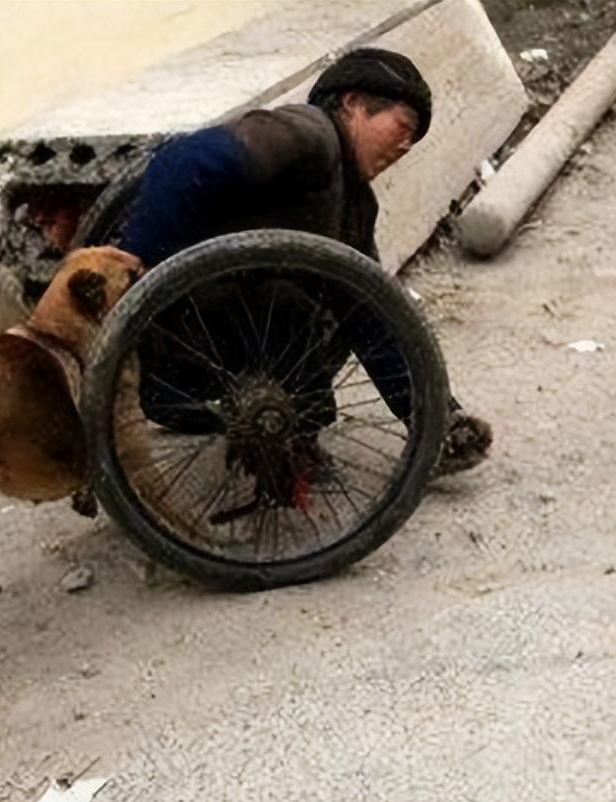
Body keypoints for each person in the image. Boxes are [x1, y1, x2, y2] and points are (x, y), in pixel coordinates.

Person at [109, 47, 494, 482]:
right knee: (295, 302)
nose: (406, 145)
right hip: (178, 334)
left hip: (204, 362)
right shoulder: (309, 133)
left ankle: (426, 426)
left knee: (360, 301)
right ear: (351, 104)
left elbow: (375, 316)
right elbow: (182, 161)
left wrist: (435, 416)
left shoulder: (354, 205)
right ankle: (288, 442)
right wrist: (134, 274)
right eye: (403, 127)